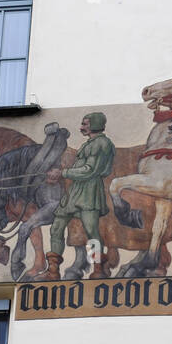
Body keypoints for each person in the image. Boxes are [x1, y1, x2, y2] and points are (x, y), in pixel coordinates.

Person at [44, 112, 115, 280]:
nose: (81, 127)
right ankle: (53, 270)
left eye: (85, 124)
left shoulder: (102, 143)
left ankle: (98, 267)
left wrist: (63, 173)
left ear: (95, 124)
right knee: (56, 227)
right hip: (75, 190)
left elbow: (90, 170)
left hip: (89, 191)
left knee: (91, 229)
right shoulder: (88, 143)